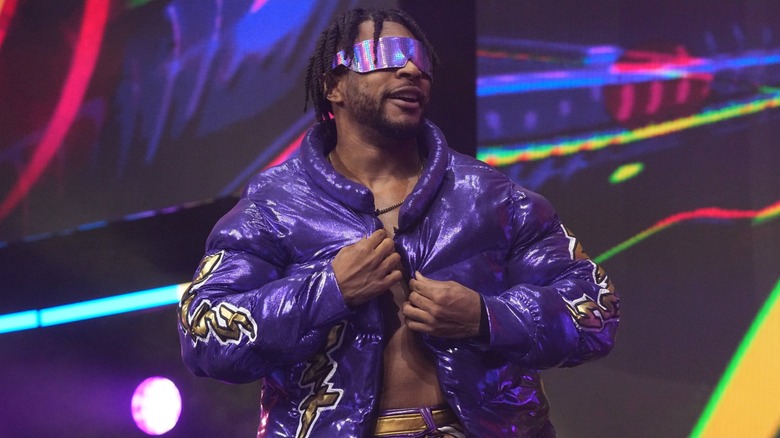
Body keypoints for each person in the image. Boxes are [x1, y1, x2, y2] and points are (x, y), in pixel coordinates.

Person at [178, 7, 619, 438]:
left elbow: (595, 311)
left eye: (419, 59)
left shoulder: (491, 196)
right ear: (335, 85)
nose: (410, 69)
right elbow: (203, 335)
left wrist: (488, 317)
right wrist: (327, 291)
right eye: (384, 56)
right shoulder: (275, 205)